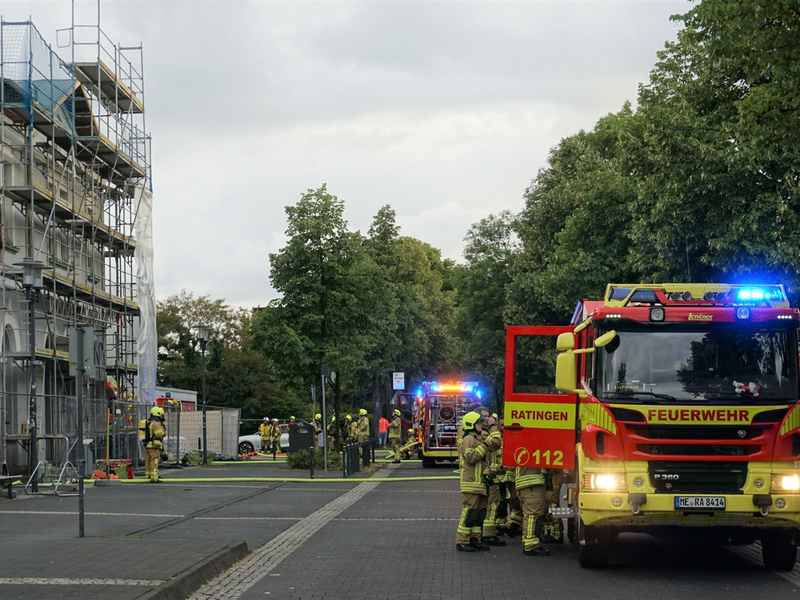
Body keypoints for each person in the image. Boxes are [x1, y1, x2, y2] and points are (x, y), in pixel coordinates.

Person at [456, 411, 501, 552]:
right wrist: (485, 446)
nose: (481, 425)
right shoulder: (469, 438)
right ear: (471, 425)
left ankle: (475, 539)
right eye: (478, 423)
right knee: (469, 512)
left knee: (480, 513)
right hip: (471, 484)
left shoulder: (479, 438)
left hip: (480, 484)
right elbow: (470, 457)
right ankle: (462, 540)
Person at [515, 465, 550, 556]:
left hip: (530, 483)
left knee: (533, 514)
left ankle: (530, 543)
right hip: (532, 484)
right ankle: (531, 545)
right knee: (532, 514)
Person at [144, 406, 166, 483]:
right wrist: (164, 432)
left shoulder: (148, 422)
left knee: (148, 460)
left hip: (147, 445)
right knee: (154, 460)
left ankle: (149, 475)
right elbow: (159, 434)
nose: (163, 416)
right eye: (162, 415)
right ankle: (154, 477)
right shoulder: (156, 423)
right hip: (154, 445)